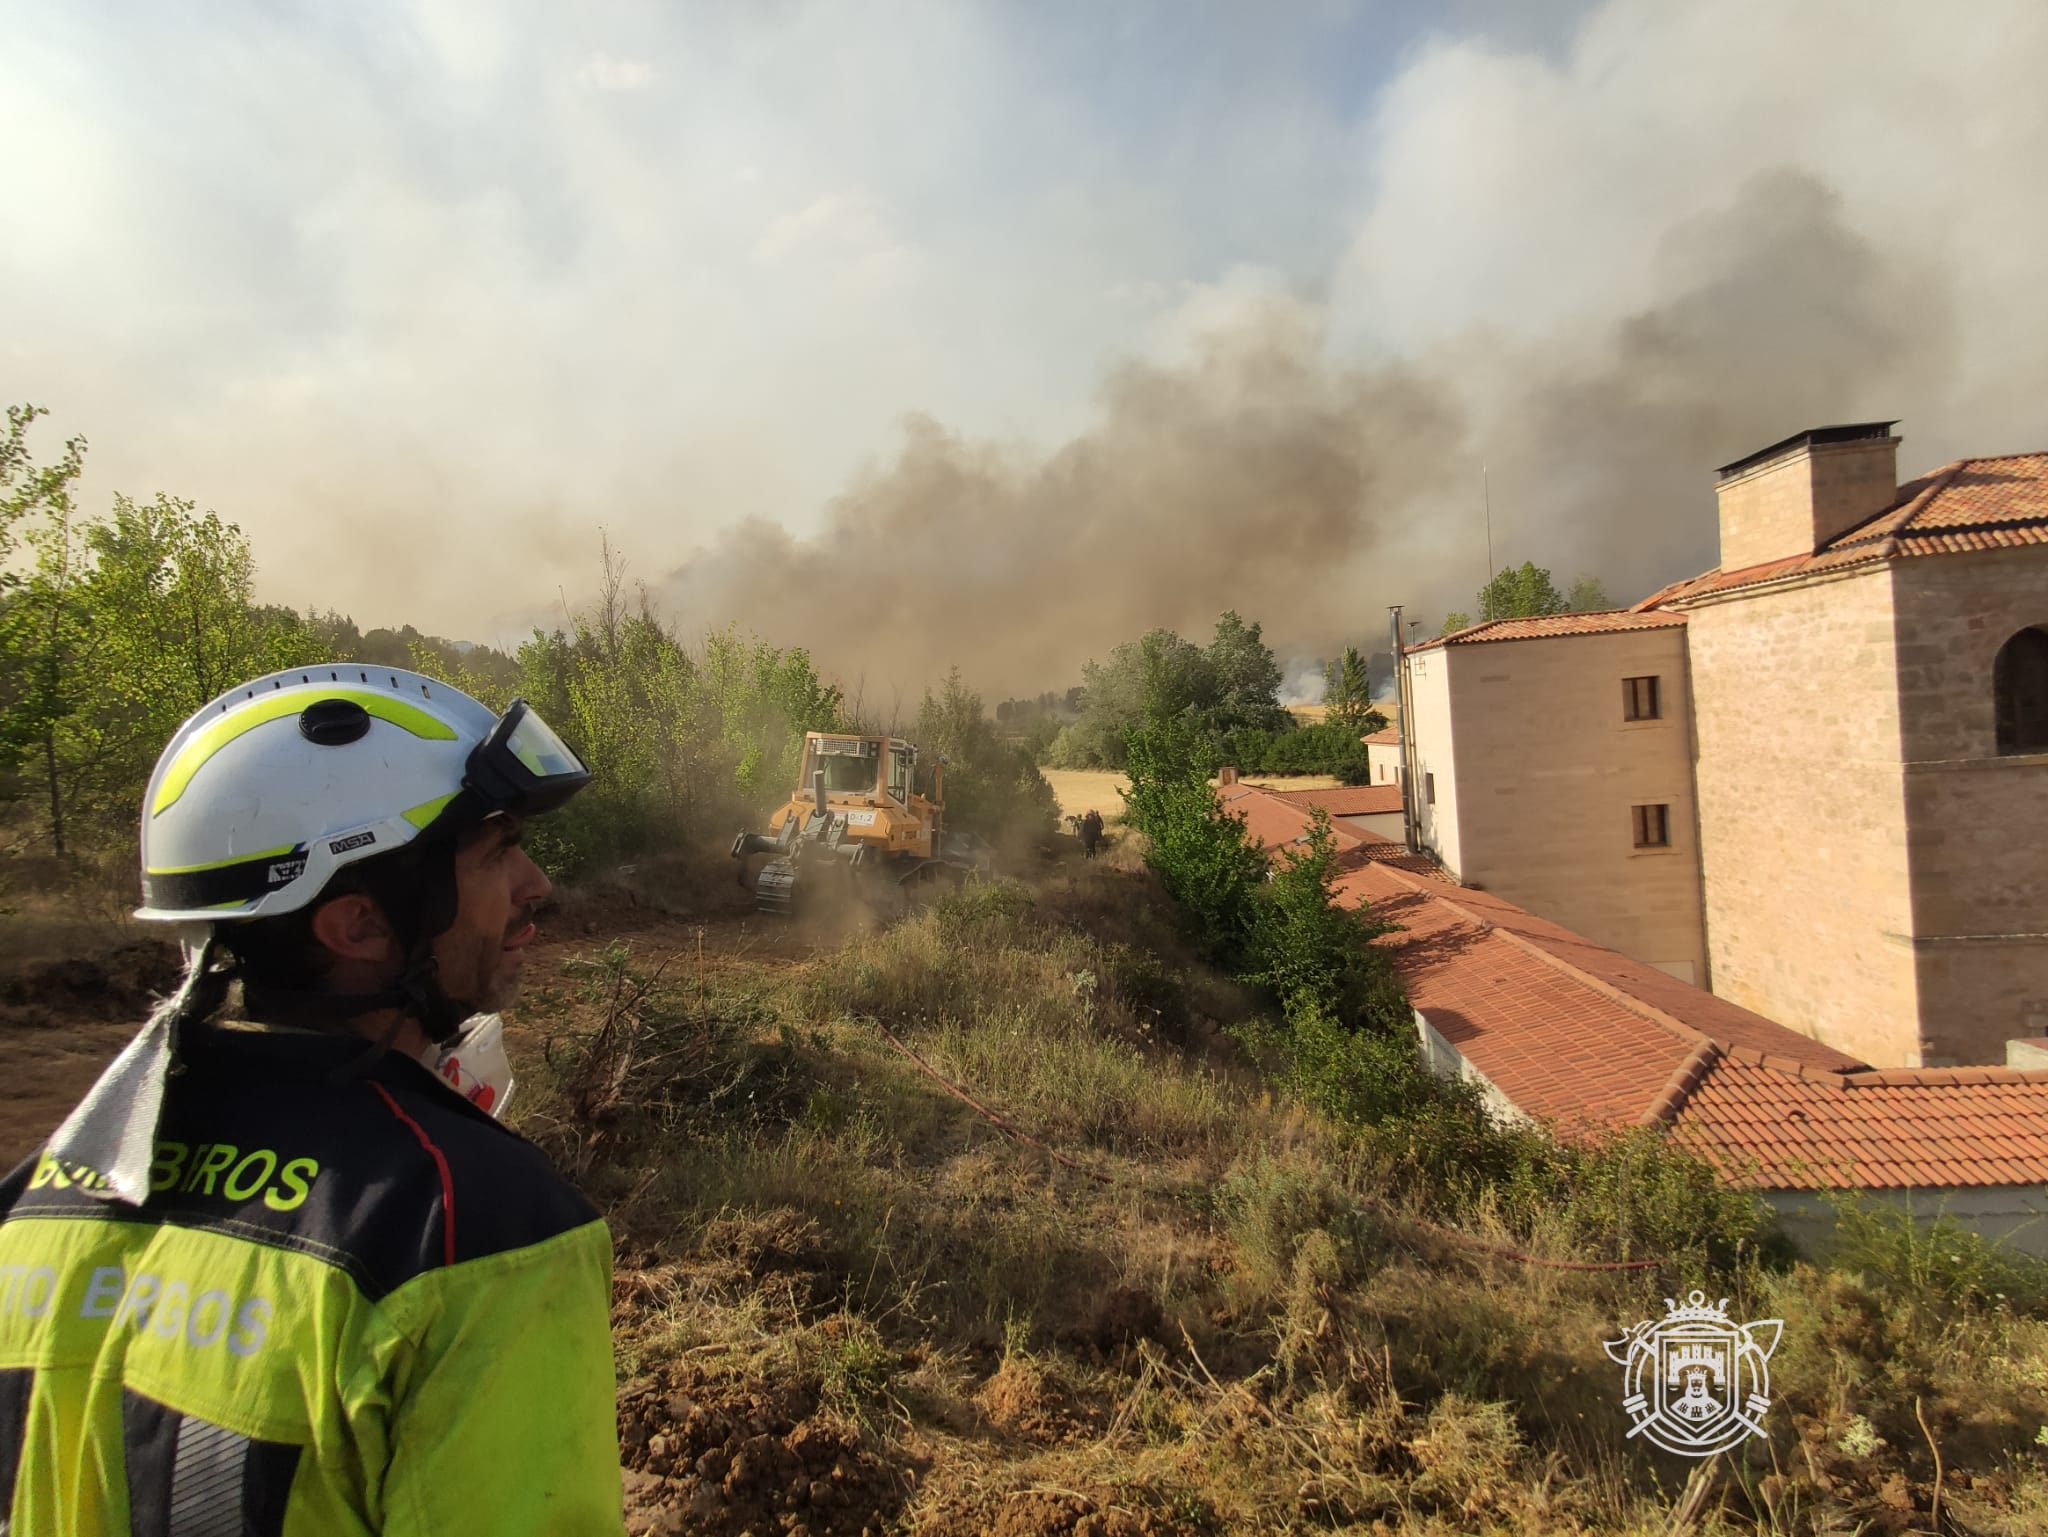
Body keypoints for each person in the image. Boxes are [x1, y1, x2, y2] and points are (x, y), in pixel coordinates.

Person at [0, 666, 624, 1534]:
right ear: (358, 925)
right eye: (494, 852)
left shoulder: (39, 1192)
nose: (536, 883)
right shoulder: (476, 1230)